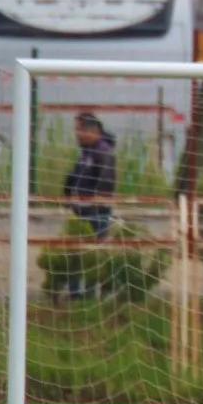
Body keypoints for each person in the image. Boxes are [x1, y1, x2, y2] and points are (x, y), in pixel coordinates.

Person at [62, 112, 117, 298]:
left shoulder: (102, 151)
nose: (76, 133)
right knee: (76, 252)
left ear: (92, 130)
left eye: (79, 129)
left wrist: (92, 204)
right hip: (81, 211)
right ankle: (76, 295)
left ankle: (90, 294)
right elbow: (76, 177)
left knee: (93, 254)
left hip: (95, 212)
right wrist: (68, 194)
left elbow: (106, 181)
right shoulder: (87, 152)